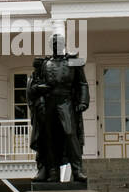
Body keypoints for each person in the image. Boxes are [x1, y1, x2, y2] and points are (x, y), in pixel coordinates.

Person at [28, 33, 89, 183]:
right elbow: (33, 84)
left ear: (63, 45)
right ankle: (52, 172)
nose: (57, 46)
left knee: (70, 134)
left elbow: (82, 84)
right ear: (51, 46)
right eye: (54, 44)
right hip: (48, 102)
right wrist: (38, 88)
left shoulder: (74, 61)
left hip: (66, 101)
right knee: (49, 138)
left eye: (59, 43)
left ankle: (77, 170)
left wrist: (83, 102)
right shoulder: (43, 63)